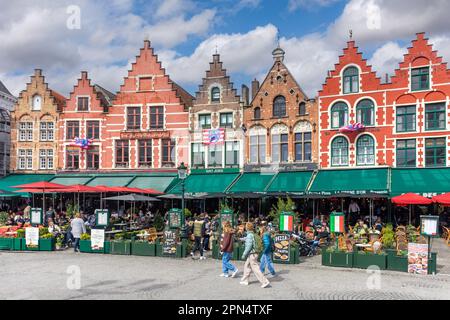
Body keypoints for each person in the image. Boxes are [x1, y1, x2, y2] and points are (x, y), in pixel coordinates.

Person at [240, 222, 270, 288]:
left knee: (255, 268)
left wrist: (244, 254)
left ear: (247, 228)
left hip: (252, 254)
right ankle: (245, 280)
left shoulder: (250, 235)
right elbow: (249, 239)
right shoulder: (253, 234)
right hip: (254, 253)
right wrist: (241, 239)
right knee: (247, 265)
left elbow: (248, 246)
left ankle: (264, 281)